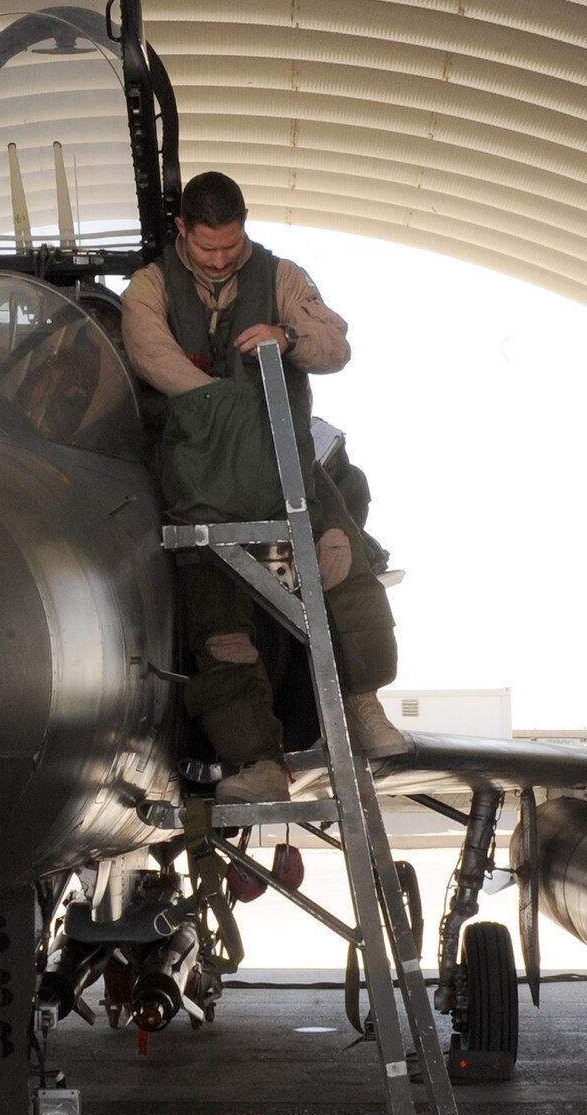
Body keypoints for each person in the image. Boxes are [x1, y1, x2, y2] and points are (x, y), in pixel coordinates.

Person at [122, 171, 406, 803]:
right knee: (219, 626)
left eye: (230, 245)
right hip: (199, 478)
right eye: (207, 249)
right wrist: (226, 408)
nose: (221, 260)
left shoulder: (280, 277)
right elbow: (149, 355)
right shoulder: (151, 286)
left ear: (243, 227)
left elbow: (335, 346)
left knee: (342, 569)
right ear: (182, 232)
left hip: (287, 470)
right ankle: (258, 762)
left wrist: (290, 338)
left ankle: (364, 708)